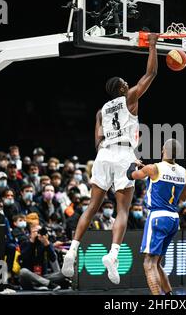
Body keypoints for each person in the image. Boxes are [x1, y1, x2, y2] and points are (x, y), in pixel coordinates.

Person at [61, 33, 159, 284]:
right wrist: (153, 46)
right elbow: (150, 74)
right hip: (124, 152)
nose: (129, 84)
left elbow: (97, 140)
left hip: (103, 153)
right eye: (126, 82)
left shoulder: (100, 111)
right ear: (123, 88)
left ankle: (71, 249)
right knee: (122, 209)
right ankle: (113, 255)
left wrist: (107, 155)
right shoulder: (130, 99)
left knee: (92, 207)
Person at [126, 138, 186, 295]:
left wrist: (134, 163)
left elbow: (130, 175)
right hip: (174, 219)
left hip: (158, 216)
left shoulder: (153, 168)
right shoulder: (184, 172)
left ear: (163, 150)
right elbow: (184, 198)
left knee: (149, 263)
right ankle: (169, 296)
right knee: (157, 262)